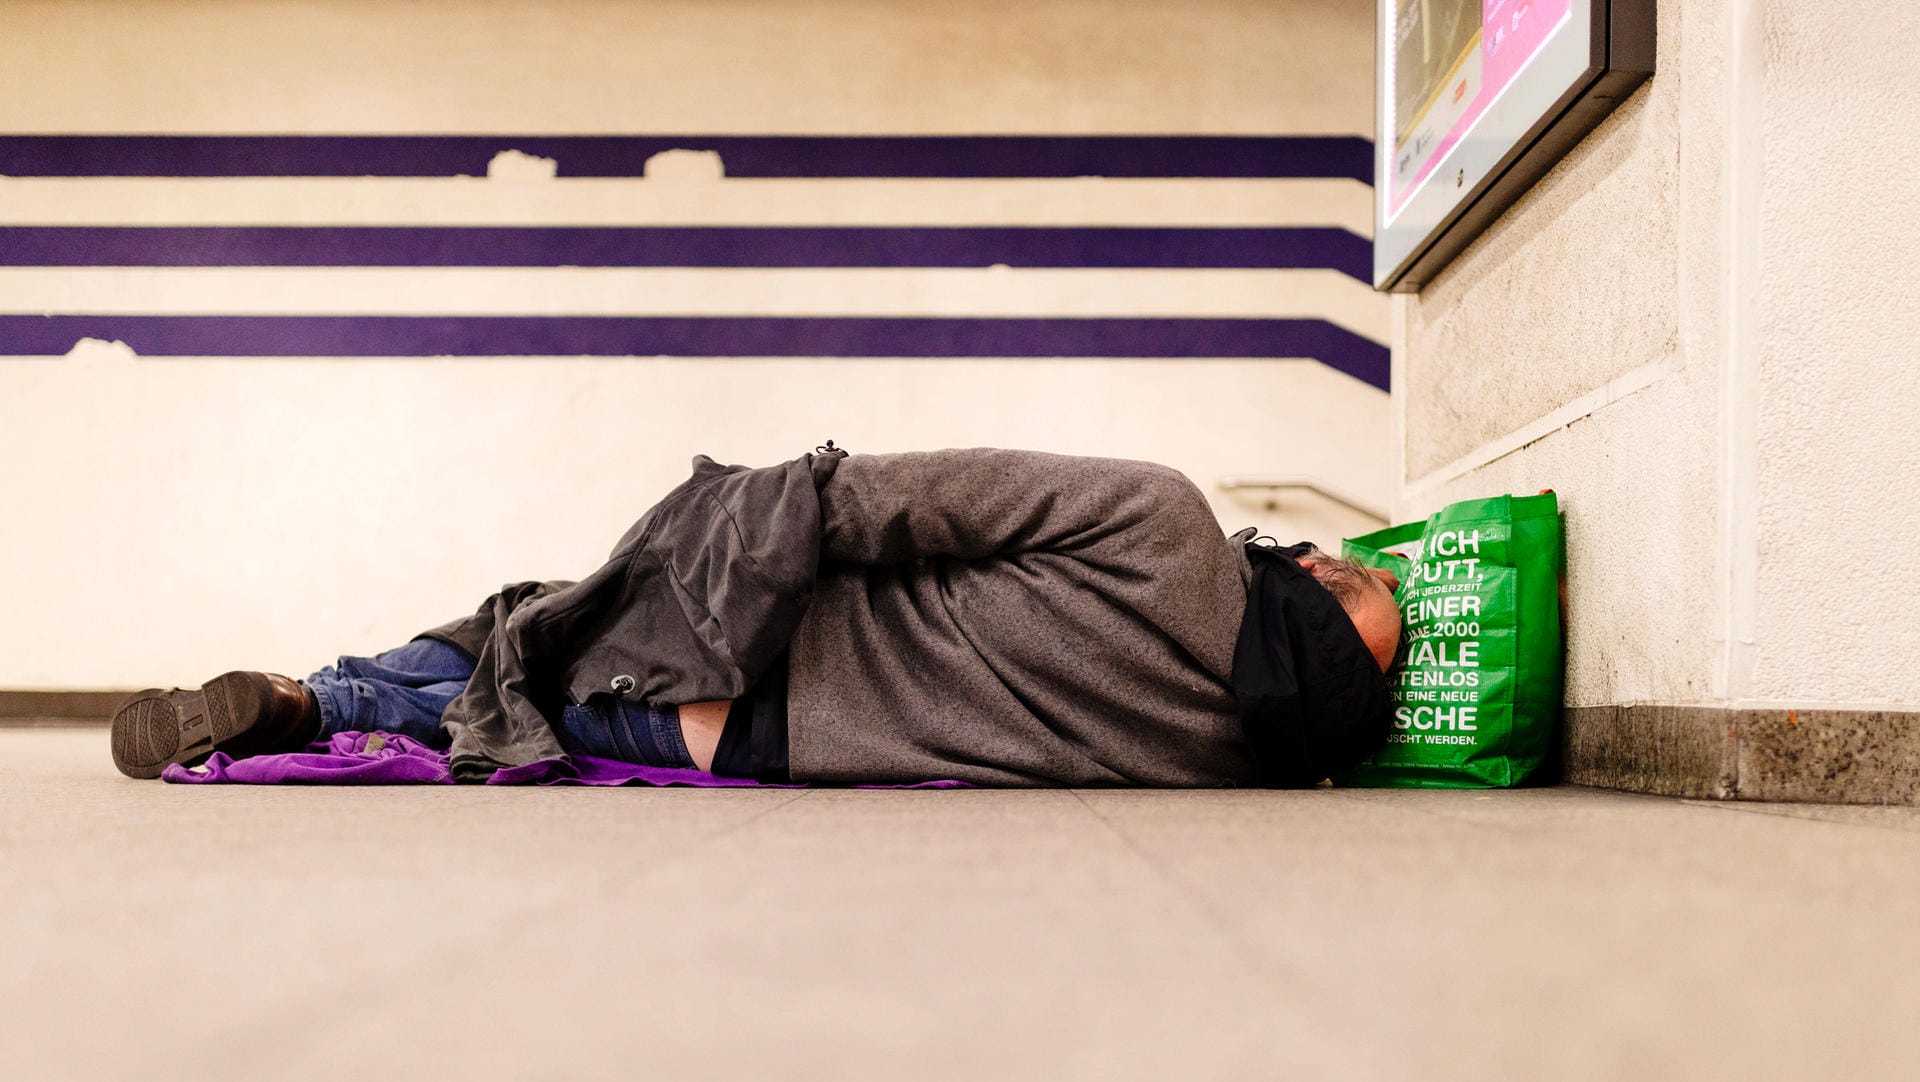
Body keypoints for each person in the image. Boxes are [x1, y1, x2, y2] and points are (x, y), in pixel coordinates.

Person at [110, 447, 1403, 787]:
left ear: (1305, 572)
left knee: (520, 625)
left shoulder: (1172, 524)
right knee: (534, 691)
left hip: (766, 632)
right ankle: (309, 702)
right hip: (767, 739)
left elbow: (912, 503)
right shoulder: (1245, 749)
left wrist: (751, 512)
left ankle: (313, 697)